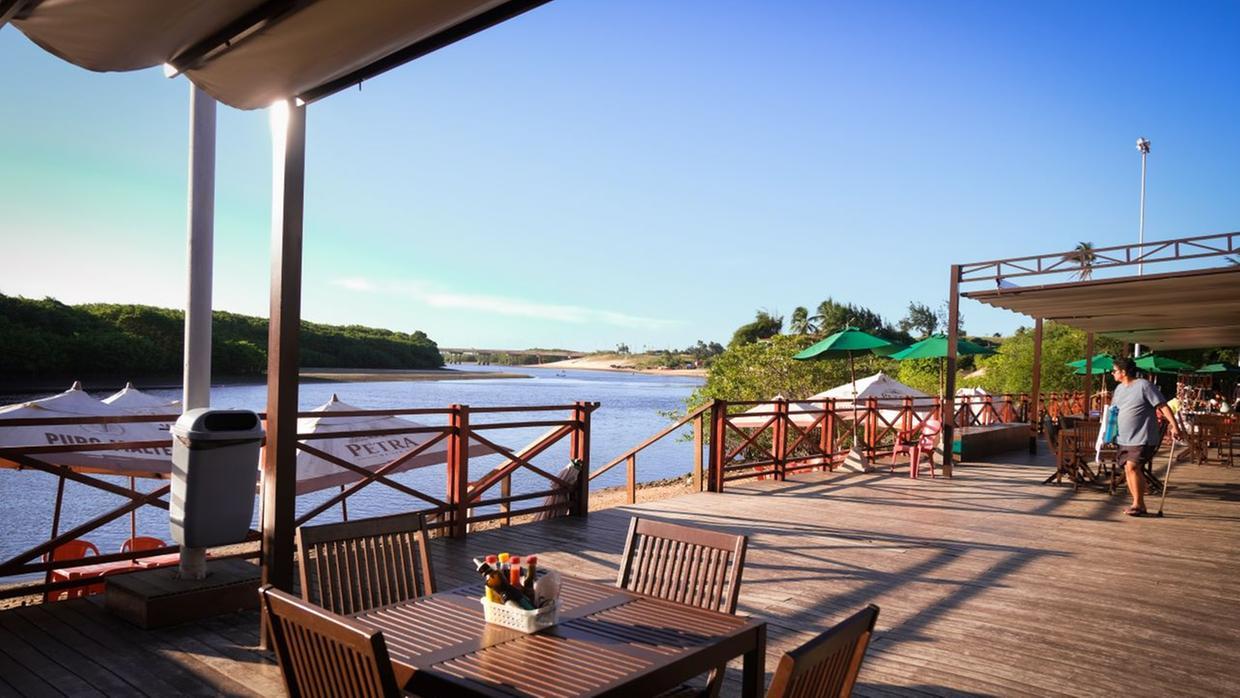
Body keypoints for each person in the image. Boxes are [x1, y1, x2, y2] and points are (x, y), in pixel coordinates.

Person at [1110, 357, 1179, 516]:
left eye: (1114, 371)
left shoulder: (1144, 385)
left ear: (1123, 372)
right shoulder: (1119, 389)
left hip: (1142, 435)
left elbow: (1162, 406)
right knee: (1128, 468)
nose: (1112, 374)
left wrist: (1174, 426)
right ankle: (1138, 503)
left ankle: (1138, 504)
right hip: (1123, 437)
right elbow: (1114, 411)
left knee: (1133, 466)